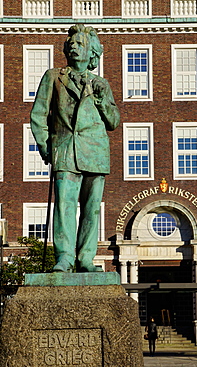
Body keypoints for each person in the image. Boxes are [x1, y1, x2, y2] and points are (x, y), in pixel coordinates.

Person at [30, 24, 120, 273]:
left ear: (92, 51)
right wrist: (46, 145)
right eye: (71, 43)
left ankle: (86, 259)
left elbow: (113, 121)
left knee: (91, 209)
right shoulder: (53, 76)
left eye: (80, 43)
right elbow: (38, 115)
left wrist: (102, 100)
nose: (73, 46)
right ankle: (65, 258)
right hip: (64, 149)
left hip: (95, 152)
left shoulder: (101, 83)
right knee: (64, 207)